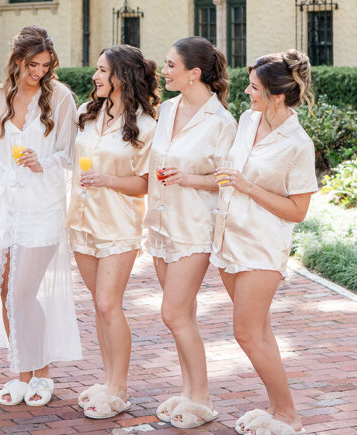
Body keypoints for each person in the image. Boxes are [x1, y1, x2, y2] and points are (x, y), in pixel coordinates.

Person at [0, 25, 81, 407]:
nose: (39, 72)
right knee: (5, 292)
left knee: (22, 293)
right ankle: (21, 373)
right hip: (1, 208)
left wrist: (42, 161)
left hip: (42, 206)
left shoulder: (60, 97)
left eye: (46, 65)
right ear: (17, 60)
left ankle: (42, 373)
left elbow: (70, 154)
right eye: (33, 64)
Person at [212, 50, 318, 435]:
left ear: (277, 95)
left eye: (254, 87)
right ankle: (276, 409)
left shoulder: (298, 144)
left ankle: (290, 416)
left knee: (246, 333)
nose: (247, 92)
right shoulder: (247, 120)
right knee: (260, 332)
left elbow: (298, 210)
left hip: (262, 245)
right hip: (228, 237)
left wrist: (248, 187)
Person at [143, 36, 237, 429]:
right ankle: (188, 392)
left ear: (194, 73)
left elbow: (229, 179)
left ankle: (202, 400)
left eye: (170, 65)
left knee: (173, 313)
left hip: (194, 228)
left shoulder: (221, 122)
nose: (163, 71)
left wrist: (190, 178)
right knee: (185, 316)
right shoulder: (167, 109)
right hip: (161, 224)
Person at [69, 45, 160, 419]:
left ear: (123, 76)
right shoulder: (87, 113)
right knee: (99, 304)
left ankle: (119, 389)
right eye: (96, 69)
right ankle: (108, 382)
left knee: (109, 304)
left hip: (118, 224)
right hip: (80, 220)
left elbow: (146, 184)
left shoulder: (146, 126)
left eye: (103, 70)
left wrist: (107, 179)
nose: (95, 76)